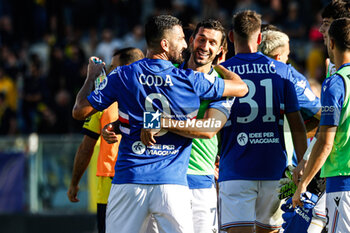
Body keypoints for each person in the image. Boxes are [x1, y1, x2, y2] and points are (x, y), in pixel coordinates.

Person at [72, 15, 248, 233]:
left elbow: (79, 112)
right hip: (172, 184)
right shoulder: (188, 79)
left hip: (130, 179)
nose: (185, 44)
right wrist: (221, 65)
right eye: (183, 39)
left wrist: (91, 77)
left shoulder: (124, 74)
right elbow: (241, 88)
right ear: (165, 44)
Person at [217, 10, 307, 233]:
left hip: (235, 170)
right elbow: (297, 124)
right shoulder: (283, 71)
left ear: (230, 36)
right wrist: (303, 164)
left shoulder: (221, 72)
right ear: (259, 38)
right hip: (275, 172)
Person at [67, 47, 144, 233]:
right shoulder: (152, 97)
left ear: (126, 68)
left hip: (111, 183)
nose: (109, 71)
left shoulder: (102, 102)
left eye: (113, 67)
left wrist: (74, 182)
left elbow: (86, 147)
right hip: (145, 179)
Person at [293, 17, 350, 233]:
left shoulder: (336, 82)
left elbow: (326, 142)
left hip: (343, 181)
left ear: (332, 43)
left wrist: (303, 184)